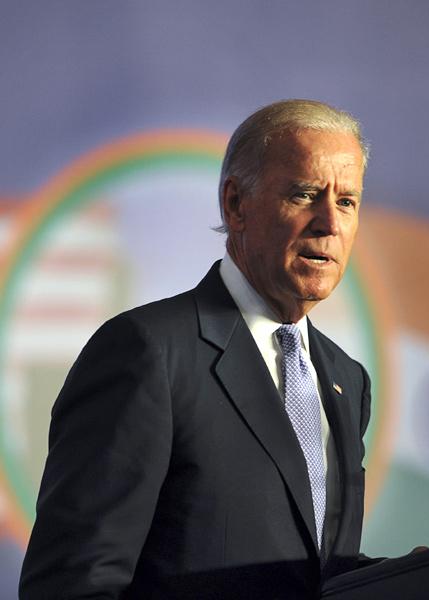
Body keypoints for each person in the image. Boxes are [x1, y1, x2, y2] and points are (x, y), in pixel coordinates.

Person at [19, 99, 373, 599]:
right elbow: (74, 582)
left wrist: (417, 579)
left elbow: (312, 571)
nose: (329, 223)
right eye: (305, 194)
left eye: (347, 202)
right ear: (236, 204)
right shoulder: (147, 353)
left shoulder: (346, 378)